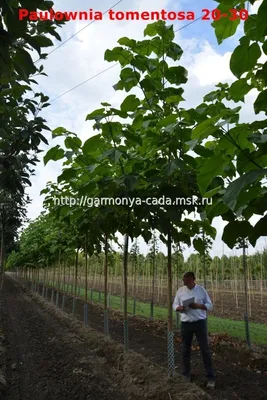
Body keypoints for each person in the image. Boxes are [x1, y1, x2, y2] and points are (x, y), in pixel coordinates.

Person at [173, 271, 216, 389]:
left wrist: (198, 306)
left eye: (186, 279)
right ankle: (186, 375)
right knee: (185, 350)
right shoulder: (180, 291)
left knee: (205, 350)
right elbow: (174, 304)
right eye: (183, 280)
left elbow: (210, 306)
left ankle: (211, 377)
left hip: (200, 323)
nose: (184, 281)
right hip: (185, 323)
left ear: (193, 279)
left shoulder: (201, 290)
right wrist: (179, 308)